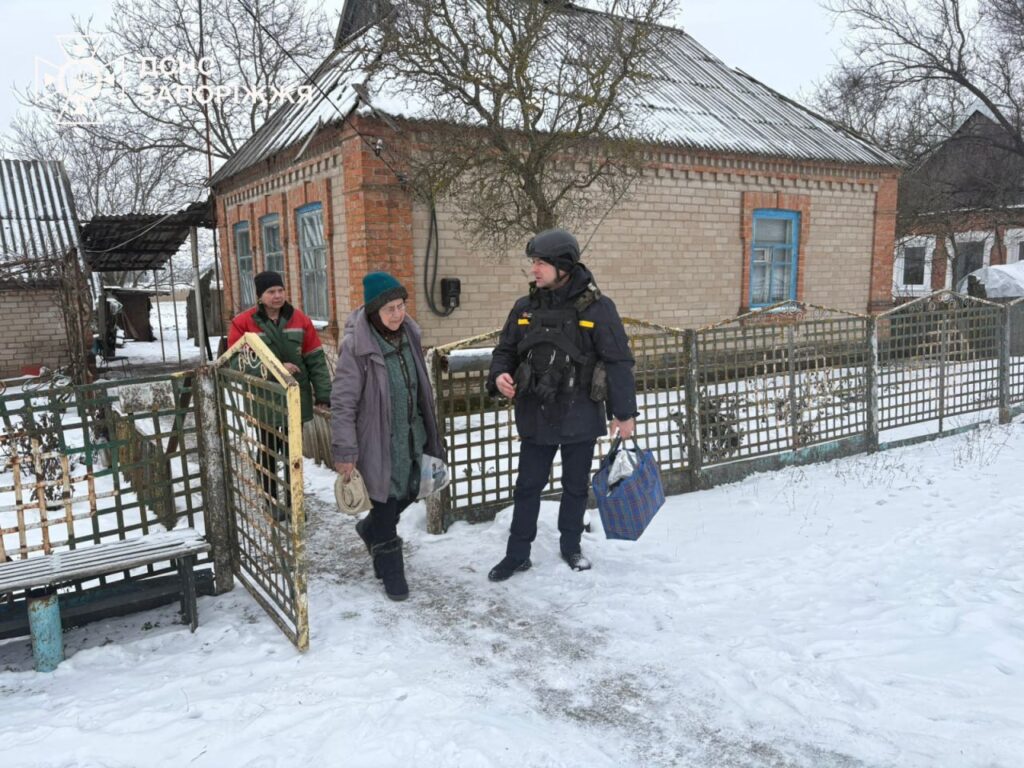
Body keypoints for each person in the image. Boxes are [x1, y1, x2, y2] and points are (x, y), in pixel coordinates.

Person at [486, 228, 637, 581]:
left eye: (540, 263)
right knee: (527, 486)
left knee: (574, 486)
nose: (534, 270)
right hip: (536, 411)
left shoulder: (597, 308)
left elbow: (618, 361)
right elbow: (504, 351)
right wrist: (498, 376)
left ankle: (571, 547)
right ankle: (517, 554)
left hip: (580, 412)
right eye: (533, 263)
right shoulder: (525, 307)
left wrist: (624, 412)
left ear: (563, 265)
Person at [330, 272, 444, 602]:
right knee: (384, 505)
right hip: (378, 443)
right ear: (373, 312)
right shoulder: (357, 347)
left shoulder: (410, 334)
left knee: (412, 490)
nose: (398, 314)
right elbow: (343, 402)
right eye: (390, 309)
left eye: (401, 306)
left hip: (413, 436)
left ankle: (370, 530)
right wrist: (345, 450)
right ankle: (392, 572)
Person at [227, 270, 332, 519]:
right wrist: (275, 368)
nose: (277, 296)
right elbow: (234, 361)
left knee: (293, 451)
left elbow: (315, 359)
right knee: (269, 449)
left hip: (297, 395)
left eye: (280, 291)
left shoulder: (300, 320)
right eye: (271, 292)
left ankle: (295, 500)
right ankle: (271, 500)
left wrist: (323, 393)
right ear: (260, 296)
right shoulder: (243, 323)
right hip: (265, 395)